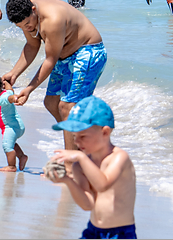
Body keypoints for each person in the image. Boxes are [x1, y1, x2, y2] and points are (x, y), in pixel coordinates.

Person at [2, 0, 106, 150]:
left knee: (67, 106)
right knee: (51, 103)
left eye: (28, 23)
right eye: (21, 26)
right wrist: (14, 73)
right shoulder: (24, 12)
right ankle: (82, 145)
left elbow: (50, 60)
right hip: (64, 56)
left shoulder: (52, 20)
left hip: (88, 52)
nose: (26, 28)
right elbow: (32, 45)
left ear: (33, 10)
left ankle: (71, 165)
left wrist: (29, 89)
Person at [47, 97, 137, 240]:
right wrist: (67, 181)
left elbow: (102, 185)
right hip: (93, 231)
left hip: (120, 233)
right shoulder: (80, 166)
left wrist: (80, 157)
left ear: (105, 132)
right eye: (75, 136)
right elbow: (88, 204)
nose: (76, 141)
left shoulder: (119, 158)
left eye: (82, 136)